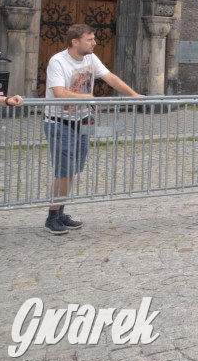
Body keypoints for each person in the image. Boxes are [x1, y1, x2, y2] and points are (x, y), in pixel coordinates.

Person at [44, 23, 143, 235]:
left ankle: (60, 212)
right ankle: (52, 217)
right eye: (89, 39)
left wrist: (134, 95)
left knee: (73, 169)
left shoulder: (90, 58)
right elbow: (59, 92)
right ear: (75, 42)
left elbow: (110, 78)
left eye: (94, 39)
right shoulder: (58, 61)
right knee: (64, 170)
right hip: (59, 123)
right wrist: (86, 97)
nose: (94, 43)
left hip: (81, 122)